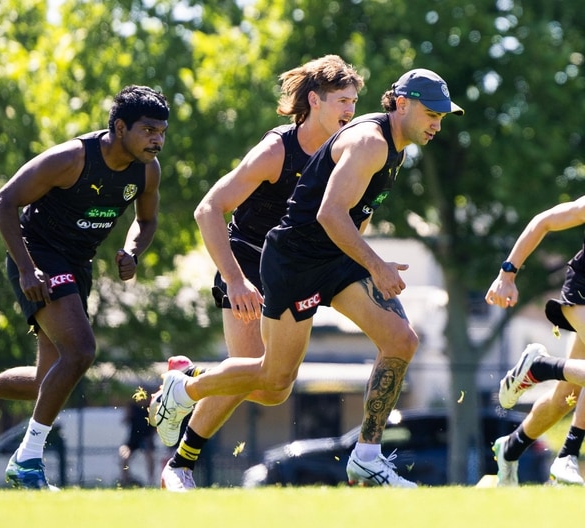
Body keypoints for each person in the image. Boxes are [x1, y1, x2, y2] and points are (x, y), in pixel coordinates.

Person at [153, 68, 464, 488]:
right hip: (289, 261)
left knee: (401, 339)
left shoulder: (395, 150)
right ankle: (184, 395)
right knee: (272, 382)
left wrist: (367, 263)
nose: (437, 125)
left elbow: (355, 215)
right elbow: (328, 213)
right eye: (432, 114)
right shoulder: (364, 142)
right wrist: (374, 265)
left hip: (331, 257)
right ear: (402, 105)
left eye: (441, 117)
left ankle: (367, 458)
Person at [0, 85, 170, 489]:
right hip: (38, 256)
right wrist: (25, 269)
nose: (157, 140)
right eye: (148, 131)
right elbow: (3, 202)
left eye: (161, 132)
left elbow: (147, 220)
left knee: (46, 381)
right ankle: (27, 460)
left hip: (77, 265)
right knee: (81, 351)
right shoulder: (72, 158)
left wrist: (132, 250)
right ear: (120, 128)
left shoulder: (147, 171)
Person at [158, 55, 364, 492]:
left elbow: (349, 220)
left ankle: (190, 379)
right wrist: (235, 280)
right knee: (251, 371)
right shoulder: (277, 151)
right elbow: (209, 209)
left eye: (354, 102)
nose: (351, 111)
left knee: (274, 388)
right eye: (342, 101)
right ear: (314, 100)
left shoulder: (349, 153)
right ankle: (180, 465)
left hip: (294, 271)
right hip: (247, 265)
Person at [486, 197, 585, 485]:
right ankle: (540, 367)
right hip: (581, 296)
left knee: (564, 398)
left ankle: (510, 447)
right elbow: (544, 221)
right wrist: (507, 274)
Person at [119, 398, 157, 487]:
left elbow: (155, 426)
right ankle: (125, 480)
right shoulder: (132, 407)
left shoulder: (150, 408)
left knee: (150, 457)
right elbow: (124, 421)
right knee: (124, 456)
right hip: (134, 438)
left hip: (146, 438)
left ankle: (151, 481)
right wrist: (128, 414)